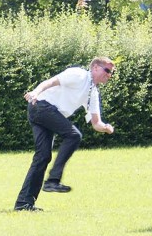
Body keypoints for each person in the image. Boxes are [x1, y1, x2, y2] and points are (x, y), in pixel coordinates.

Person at [14, 57, 116, 211]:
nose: (109, 75)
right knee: (74, 135)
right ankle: (52, 181)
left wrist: (106, 127)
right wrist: (35, 92)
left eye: (111, 73)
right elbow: (51, 81)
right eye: (107, 70)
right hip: (41, 106)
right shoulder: (79, 75)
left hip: (44, 112)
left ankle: (23, 204)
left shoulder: (92, 92)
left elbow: (96, 123)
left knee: (43, 157)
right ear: (95, 67)